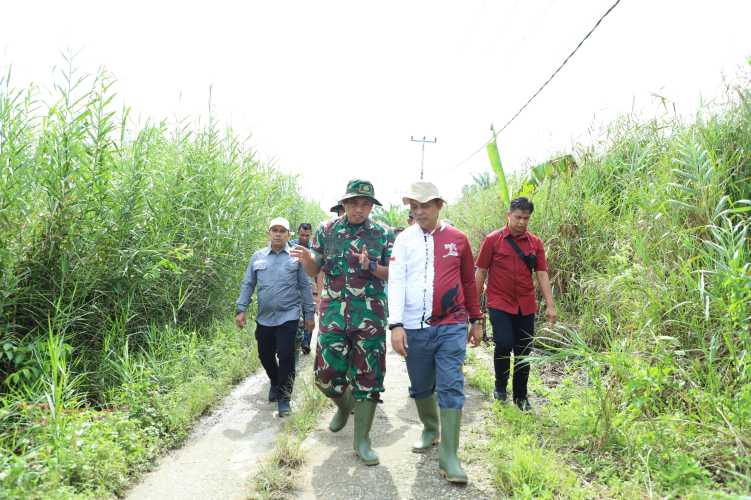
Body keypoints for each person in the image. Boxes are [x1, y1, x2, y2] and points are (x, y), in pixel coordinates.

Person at [291, 179, 394, 466]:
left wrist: (370, 266)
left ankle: (362, 440)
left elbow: (393, 273)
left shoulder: (383, 235)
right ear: (344, 204)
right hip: (334, 312)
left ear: (371, 206)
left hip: (370, 314)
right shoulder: (326, 231)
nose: (359, 209)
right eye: (353, 203)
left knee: (369, 378)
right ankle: (344, 405)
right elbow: (316, 268)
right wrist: (306, 259)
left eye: (365, 203)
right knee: (325, 376)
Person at [388, 181, 483, 484]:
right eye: (413, 206)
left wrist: (476, 319)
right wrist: (396, 324)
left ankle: (449, 456)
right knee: (420, 385)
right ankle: (430, 427)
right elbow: (397, 282)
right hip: (414, 327)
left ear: (439, 205)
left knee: (451, 385)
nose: (418, 212)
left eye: (424, 206)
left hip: (451, 324)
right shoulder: (403, 241)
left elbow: (469, 281)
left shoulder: (458, 239)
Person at [474, 197, 557, 411]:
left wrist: (550, 305)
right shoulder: (493, 240)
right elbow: (481, 271)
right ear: (508, 216)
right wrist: (473, 307)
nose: (521, 222)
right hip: (499, 302)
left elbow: (542, 274)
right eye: (518, 217)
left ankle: (521, 396)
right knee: (503, 343)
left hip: (525, 304)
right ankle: (500, 387)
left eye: (526, 218)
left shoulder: (535, 243)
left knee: (523, 351)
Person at [236, 217, 315, 417]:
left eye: (282, 230)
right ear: (268, 233)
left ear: (289, 235)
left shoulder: (296, 256)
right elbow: (248, 284)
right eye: (274, 230)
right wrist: (241, 308)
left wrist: (309, 314)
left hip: (289, 316)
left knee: (287, 355)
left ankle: (284, 398)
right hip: (264, 317)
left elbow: (305, 286)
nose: (278, 233)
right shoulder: (258, 257)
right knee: (265, 354)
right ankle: (275, 381)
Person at [290, 223, 317, 355]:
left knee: (309, 313)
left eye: (307, 235)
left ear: (310, 234)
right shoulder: (291, 246)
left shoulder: (315, 249)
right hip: (294, 288)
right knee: (298, 316)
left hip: (311, 288)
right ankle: (298, 340)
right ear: (297, 233)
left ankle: (306, 342)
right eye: (302, 235)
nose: (304, 238)